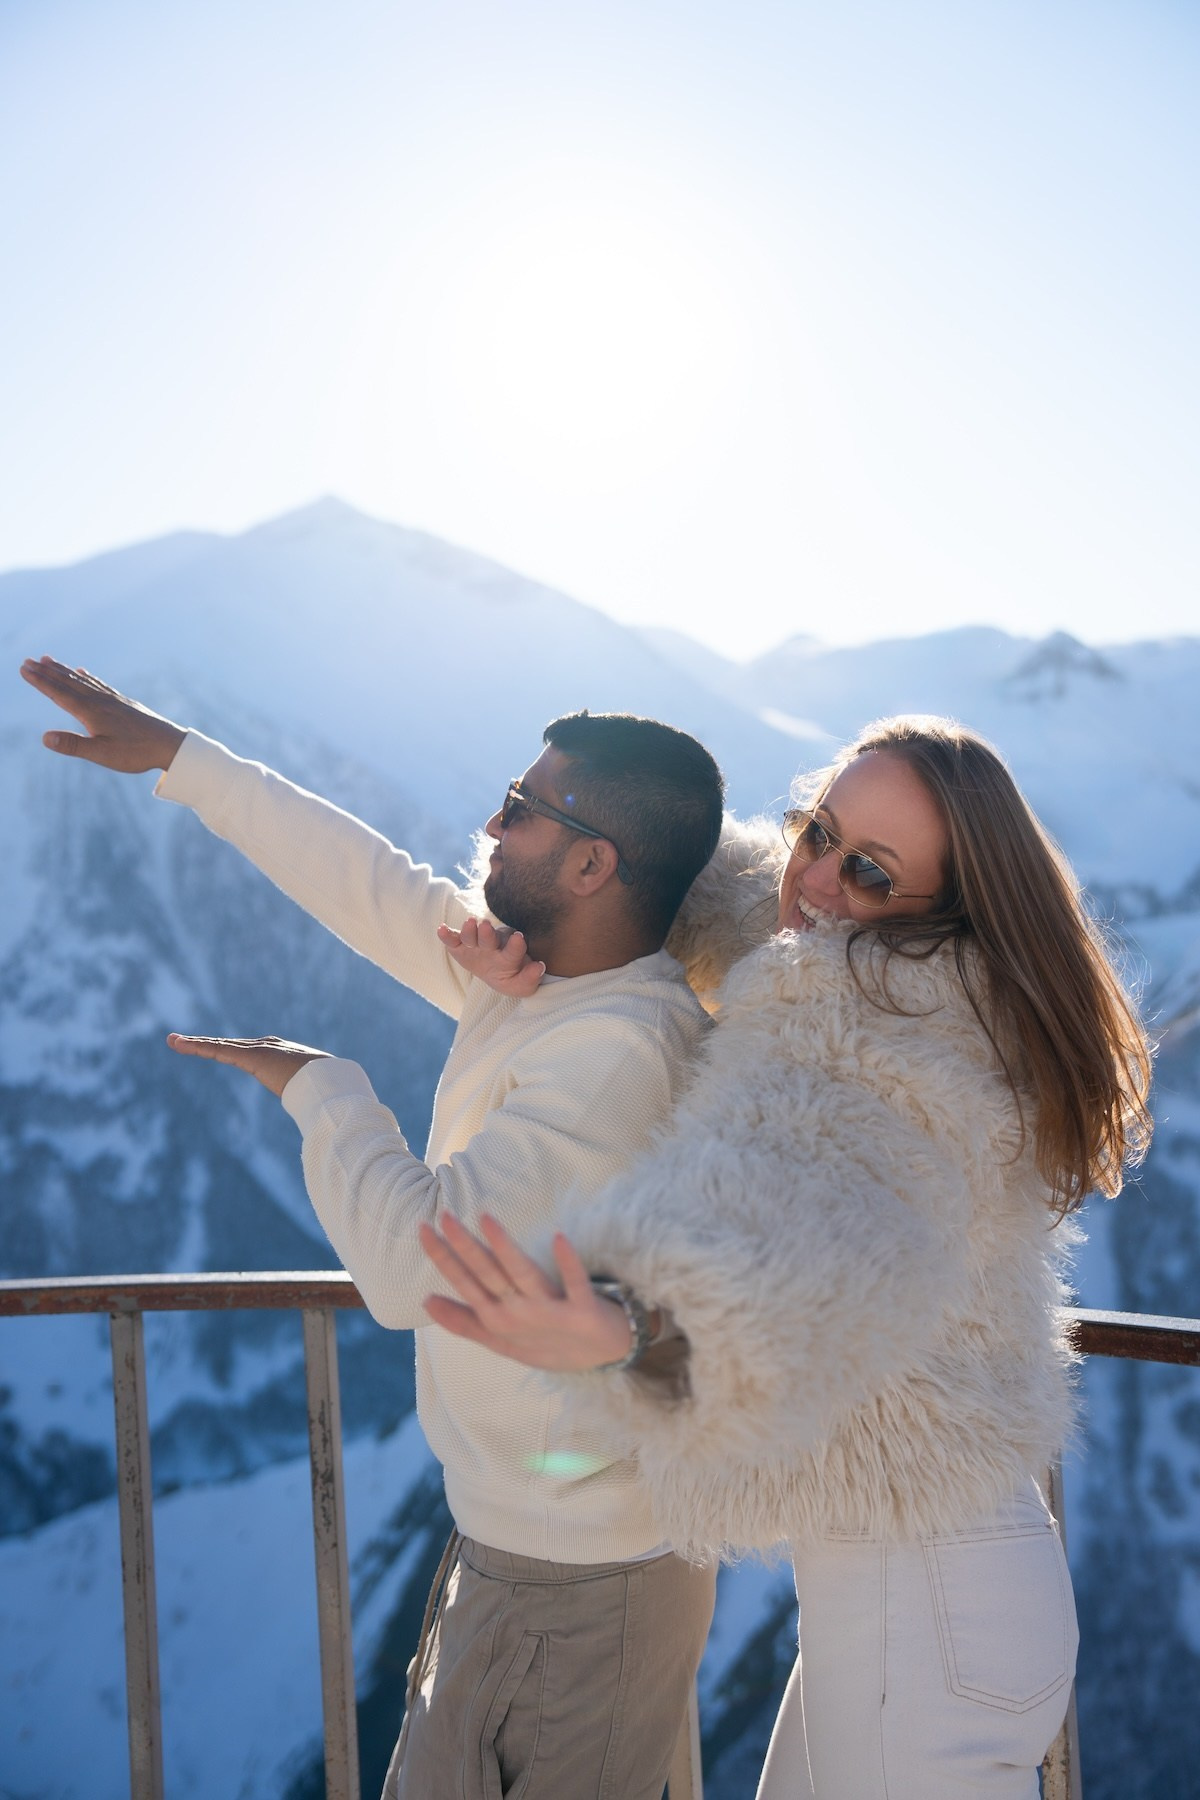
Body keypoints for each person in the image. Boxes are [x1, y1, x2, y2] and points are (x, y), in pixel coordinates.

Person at [19, 653, 726, 1800]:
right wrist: (180, 758)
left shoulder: (612, 1052)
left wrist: (321, 1085)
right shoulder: (552, 991)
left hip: (582, 1587)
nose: (489, 827)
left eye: (523, 810)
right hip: (523, 1554)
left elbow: (413, 1272)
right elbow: (377, 886)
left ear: (594, 863)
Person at [417, 714, 1154, 1800]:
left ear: (939, 913)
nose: (815, 876)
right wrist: (584, 863)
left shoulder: (894, 1051)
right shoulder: (844, 956)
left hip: (926, 1618)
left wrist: (637, 1322)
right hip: (925, 1610)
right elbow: (708, 877)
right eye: (818, 830)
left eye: (869, 870)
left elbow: (806, 1228)